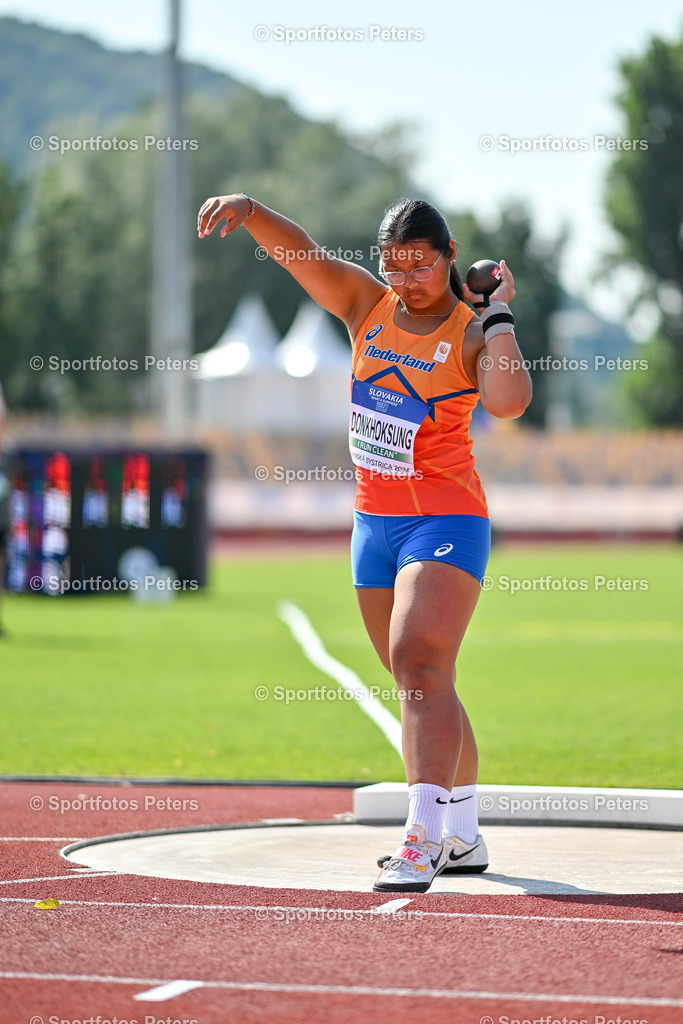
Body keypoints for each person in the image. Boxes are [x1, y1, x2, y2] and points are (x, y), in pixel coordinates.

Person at [197, 194, 532, 893]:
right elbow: (304, 257)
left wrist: (498, 311)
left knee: (417, 661)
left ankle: (421, 837)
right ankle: (464, 830)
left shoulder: (470, 331)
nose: (406, 277)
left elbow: (507, 402)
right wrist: (253, 210)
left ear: (447, 261)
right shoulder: (364, 306)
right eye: (393, 264)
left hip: (444, 520)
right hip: (372, 524)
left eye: (420, 264)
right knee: (418, 680)